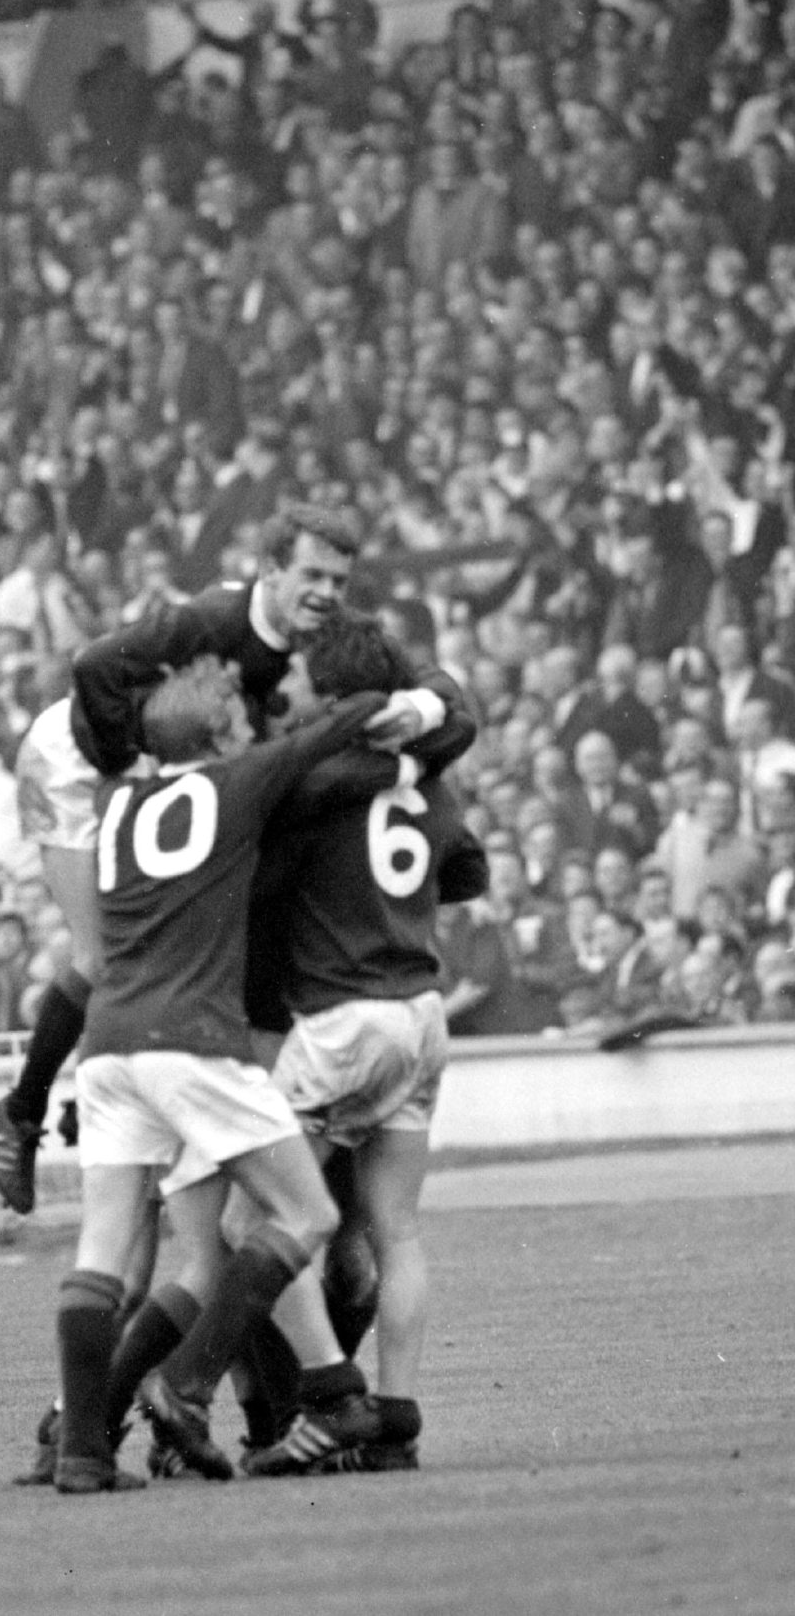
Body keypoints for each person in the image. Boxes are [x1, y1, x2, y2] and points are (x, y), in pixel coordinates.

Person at [0, 504, 466, 1214]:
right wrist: (139, 762)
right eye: (311, 574)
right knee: (105, 957)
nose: (326, 593)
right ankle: (22, 1111)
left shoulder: (332, 632)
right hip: (77, 764)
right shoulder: (211, 618)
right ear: (271, 570)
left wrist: (424, 711)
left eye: (339, 579)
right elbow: (91, 666)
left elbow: (447, 693)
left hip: (180, 776)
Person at [53, 658, 389, 1493]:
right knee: (305, 1209)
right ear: (219, 735)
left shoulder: (116, 801)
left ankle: (82, 1451)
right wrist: (397, 701)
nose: (250, 726)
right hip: (193, 1040)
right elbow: (329, 732)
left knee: (104, 1247)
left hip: (109, 1044)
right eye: (238, 717)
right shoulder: (234, 783)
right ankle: (188, 1383)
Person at [231, 613, 488, 1476]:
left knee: (252, 1217)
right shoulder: (427, 774)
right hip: (422, 1011)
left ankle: (332, 1393)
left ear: (337, 696)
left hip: (344, 1020)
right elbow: (469, 869)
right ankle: (398, 1419)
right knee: (398, 1232)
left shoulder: (316, 781)